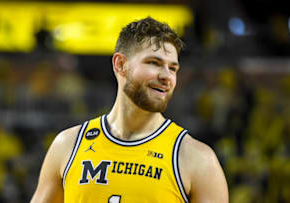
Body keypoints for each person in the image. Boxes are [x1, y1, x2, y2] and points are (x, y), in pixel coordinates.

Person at [31, 17, 229, 203]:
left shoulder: (197, 159)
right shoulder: (68, 145)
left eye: (173, 68)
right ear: (120, 64)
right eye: (154, 63)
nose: (166, 76)